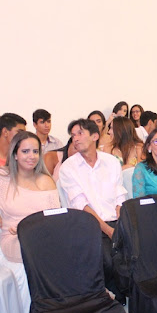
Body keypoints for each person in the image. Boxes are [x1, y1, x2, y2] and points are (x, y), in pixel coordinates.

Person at [0, 131, 59, 313]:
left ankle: (53, 308)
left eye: (35, 151)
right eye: (25, 151)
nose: (31, 156)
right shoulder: (1, 176)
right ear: (15, 154)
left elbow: (54, 219)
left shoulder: (45, 181)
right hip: (13, 238)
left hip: (41, 234)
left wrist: (30, 229)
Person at [58, 119, 127, 303]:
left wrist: (121, 223)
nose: (75, 138)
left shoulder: (111, 162)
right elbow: (81, 205)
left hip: (115, 219)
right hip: (89, 225)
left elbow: (119, 194)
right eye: (73, 135)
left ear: (95, 136)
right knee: (109, 259)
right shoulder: (68, 168)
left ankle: (128, 291)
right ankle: (113, 294)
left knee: (136, 251)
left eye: (80, 133)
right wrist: (109, 230)